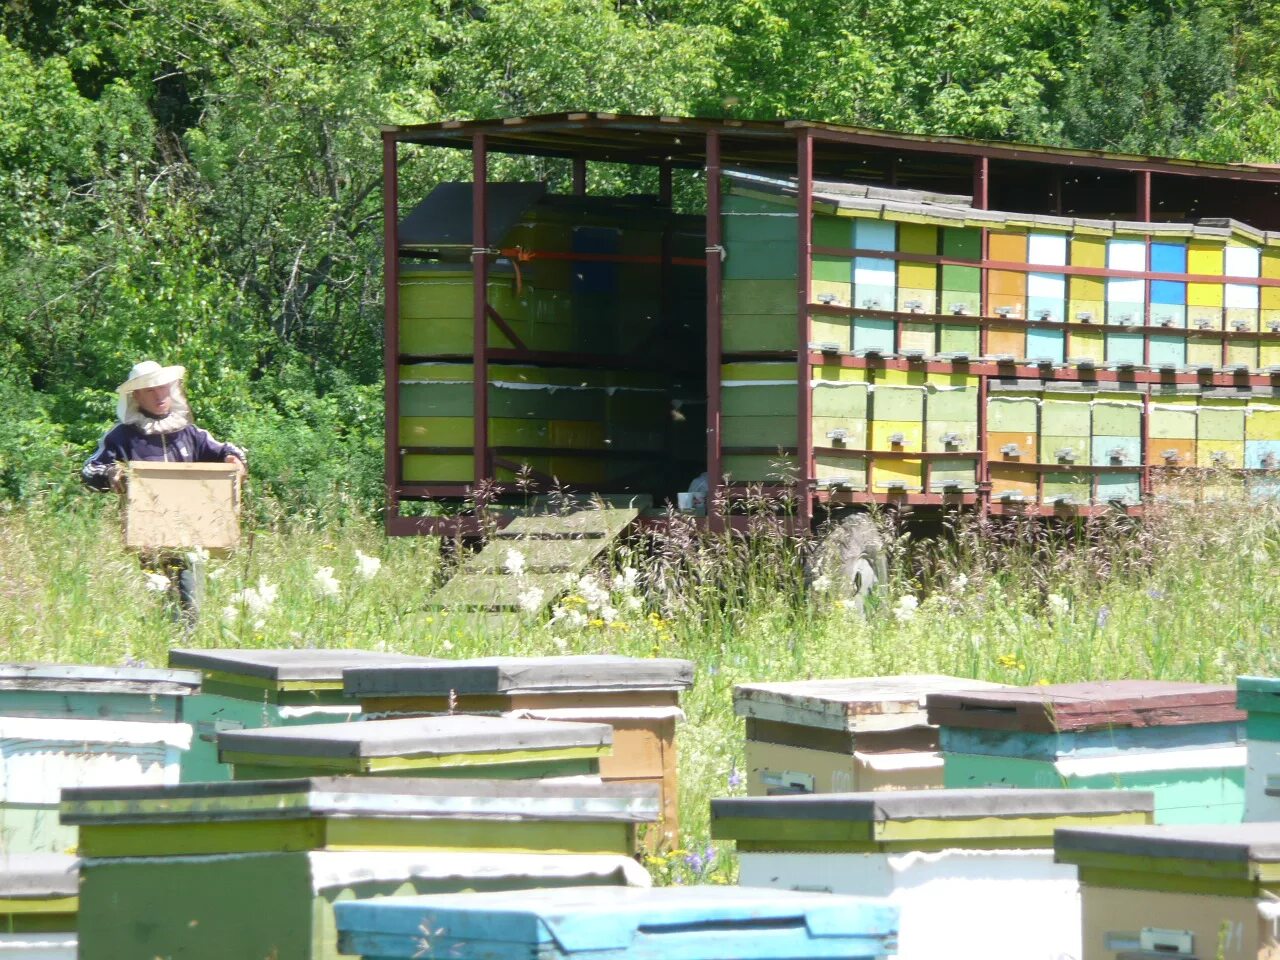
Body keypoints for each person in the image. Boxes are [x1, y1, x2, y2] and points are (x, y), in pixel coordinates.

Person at [83, 360, 246, 624]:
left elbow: (229, 450)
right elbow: (90, 470)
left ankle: (184, 648)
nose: (159, 395)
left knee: (189, 602)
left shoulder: (189, 433)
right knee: (157, 601)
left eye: (163, 388)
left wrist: (234, 461)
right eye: (150, 390)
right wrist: (113, 474)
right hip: (145, 537)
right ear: (136, 395)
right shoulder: (122, 436)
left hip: (192, 533)